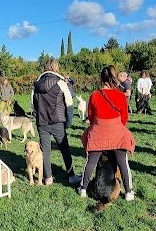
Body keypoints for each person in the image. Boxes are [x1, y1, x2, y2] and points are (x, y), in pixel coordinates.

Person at [77, 66, 136, 200]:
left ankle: (83, 189)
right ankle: (128, 192)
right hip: (116, 133)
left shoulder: (94, 95)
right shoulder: (120, 95)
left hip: (98, 133)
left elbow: (91, 118)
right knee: (123, 163)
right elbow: (124, 118)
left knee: (90, 162)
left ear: (101, 79)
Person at [32, 58, 79, 186]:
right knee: (65, 149)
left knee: (45, 152)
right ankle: (71, 176)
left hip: (42, 123)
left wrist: (38, 119)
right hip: (58, 122)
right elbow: (69, 104)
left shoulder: (36, 85)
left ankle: (48, 178)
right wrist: (68, 122)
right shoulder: (61, 83)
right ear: (56, 67)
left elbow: (33, 106)